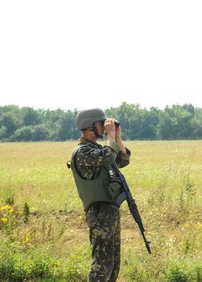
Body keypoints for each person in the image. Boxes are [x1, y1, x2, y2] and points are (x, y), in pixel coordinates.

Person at [68, 108, 131, 282]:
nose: (104, 128)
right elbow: (108, 157)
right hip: (99, 212)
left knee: (113, 262)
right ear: (89, 126)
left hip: (109, 211)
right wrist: (110, 138)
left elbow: (122, 160)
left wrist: (117, 137)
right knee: (102, 262)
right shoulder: (82, 152)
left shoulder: (98, 150)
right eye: (101, 124)